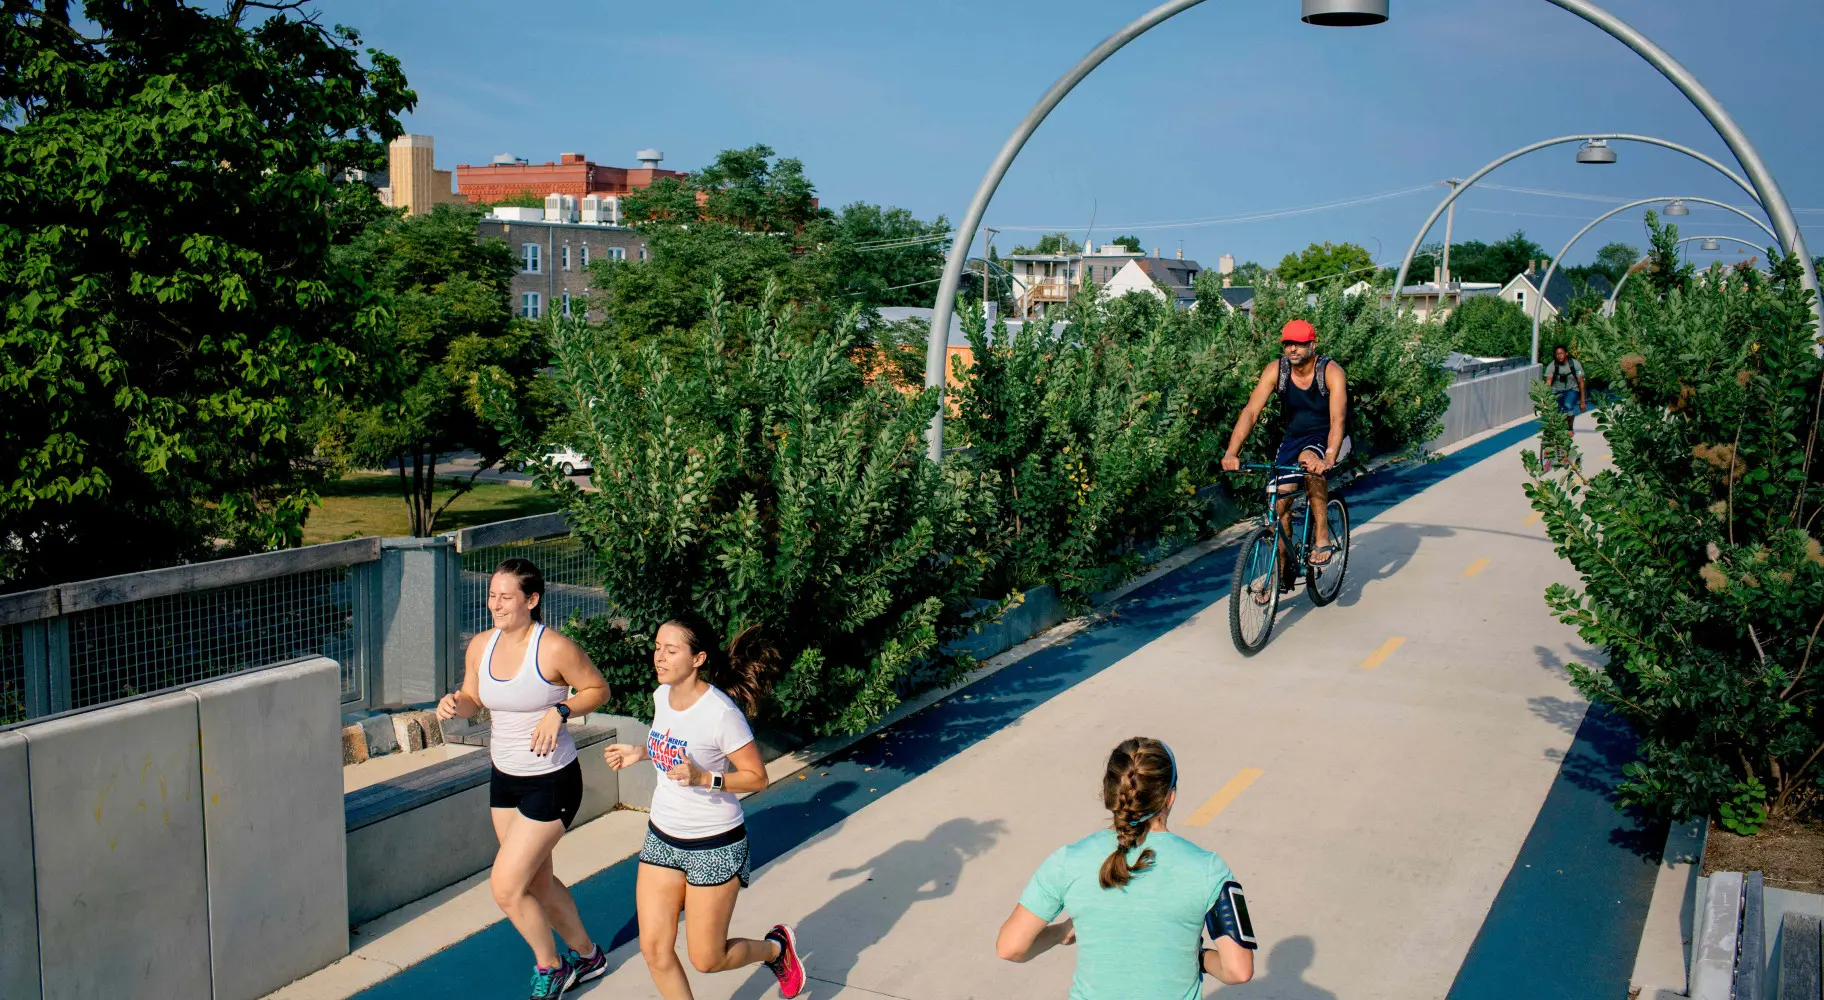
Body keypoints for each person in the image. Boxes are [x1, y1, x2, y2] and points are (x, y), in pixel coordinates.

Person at [602, 612, 807, 1000]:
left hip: (714, 845)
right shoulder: (662, 696)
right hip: (662, 837)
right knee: (654, 950)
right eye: (657, 647)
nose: (659, 656)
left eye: (671, 650)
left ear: (697, 659)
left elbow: (756, 777)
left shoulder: (721, 714)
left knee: (707, 958)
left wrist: (705, 778)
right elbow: (674, 744)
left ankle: (776, 950)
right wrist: (641, 752)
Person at [436, 558, 612, 1000]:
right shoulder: (481, 645)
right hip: (505, 779)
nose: (495, 604)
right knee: (537, 881)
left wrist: (560, 710)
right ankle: (588, 956)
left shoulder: (553, 648)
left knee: (506, 887)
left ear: (531, 600)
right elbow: (474, 697)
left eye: (506, 597)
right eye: (492, 595)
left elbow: (598, 690)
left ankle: (551, 967)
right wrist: (456, 705)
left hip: (551, 780)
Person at [996, 737, 1256, 998]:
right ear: (1170, 797)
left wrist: (1062, 932)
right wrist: (1198, 957)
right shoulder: (1209, 868)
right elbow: (1238, 971)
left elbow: (1010, 947)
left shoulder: (1067, 861)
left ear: (1110, 794)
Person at [1221, 318, 1349, 593]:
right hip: (1293, 439)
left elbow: (1337, 420)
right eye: (1288, 344)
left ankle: (1322, 535)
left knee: (1310, 463)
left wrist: (1327, 458)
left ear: (1312, 345)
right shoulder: (1276, 371)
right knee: (1277, 507)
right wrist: (1232, 451)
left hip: (1325, 437)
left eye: (1299, 344)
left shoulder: (1330, 372)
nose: (1293, 349)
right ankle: (1281, 572)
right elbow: (1251, 412)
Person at [1543, 344, 1586, 435]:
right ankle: (1554, 432)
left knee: (1568, 405)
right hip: (1556, 391)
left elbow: (1581, 382)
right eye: (1557, 354)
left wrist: (1582, 401)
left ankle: (1570, 428)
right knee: (1554, 411)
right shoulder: (1552, 366)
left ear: (1566, 353)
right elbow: (1548, 382)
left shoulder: (1575, 364)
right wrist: (1545, 399)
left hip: (1572, 390)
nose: (1560, 356)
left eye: (1561, 353)